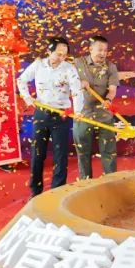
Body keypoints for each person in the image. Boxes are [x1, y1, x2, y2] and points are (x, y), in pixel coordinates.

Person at [17, 37, 83, 197]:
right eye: (58, 54)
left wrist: (78, 110)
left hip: (61, 115)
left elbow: (77, 90)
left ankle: (57, 192)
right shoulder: (38, 65)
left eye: (64, 55)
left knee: (60, 155)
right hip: (41, 113)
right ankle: (35, 191)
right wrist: (27, 97)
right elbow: (21, 80)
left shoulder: (69, 68)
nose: (62, 57)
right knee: (38, 153)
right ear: (49, 51)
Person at [73, 36, 120, 180]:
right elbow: (67, 82)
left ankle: (111, 182)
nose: (103, 53)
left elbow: (112, 89)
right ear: (90, 49)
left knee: (109, 152)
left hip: (104, 115)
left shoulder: (111, 67)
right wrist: (78, 83)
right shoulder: (77, 63)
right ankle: (85, 182)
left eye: (105, 50)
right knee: (83, 152)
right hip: (83, 114)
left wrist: (108, 99)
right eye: (100, 50)